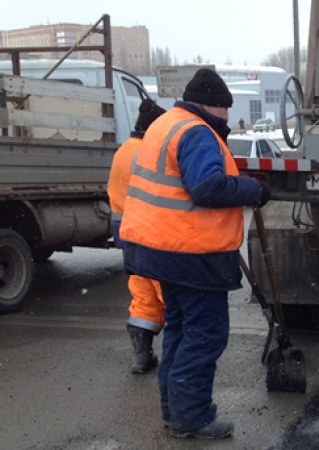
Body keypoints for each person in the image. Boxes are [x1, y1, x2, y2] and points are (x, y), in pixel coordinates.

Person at [119, 68, 271, 439]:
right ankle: (192, 417)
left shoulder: (165, 124)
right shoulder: (197, 132)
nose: (228, 120)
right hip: (189, 254)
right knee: (204, 336)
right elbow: (207, 187)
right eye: (225, 111)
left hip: (157, 250)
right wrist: (253, 190)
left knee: (180, 332)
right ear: (210, 106)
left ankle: (176, 413)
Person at [108, 99, 167, 374]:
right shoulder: (147, 152)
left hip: (126, 234)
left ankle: (141, 356)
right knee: (167, 292)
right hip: (148, 233)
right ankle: (179, 357)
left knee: (142, 293)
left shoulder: (124, 150)